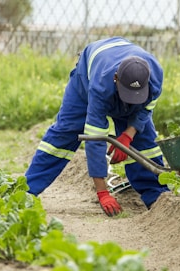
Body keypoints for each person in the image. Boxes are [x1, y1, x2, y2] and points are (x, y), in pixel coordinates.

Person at [25, 36, 169, 216]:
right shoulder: (101, 86)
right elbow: (95, 139)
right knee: (65, 133)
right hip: (86, 78)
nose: (131, 101)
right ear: (116, 79)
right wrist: (102, 192)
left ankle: (156, 196)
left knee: (143, 140)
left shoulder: (155, 76)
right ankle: (26, 191)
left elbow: (145, 109)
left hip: (122, 71)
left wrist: (128, 135)